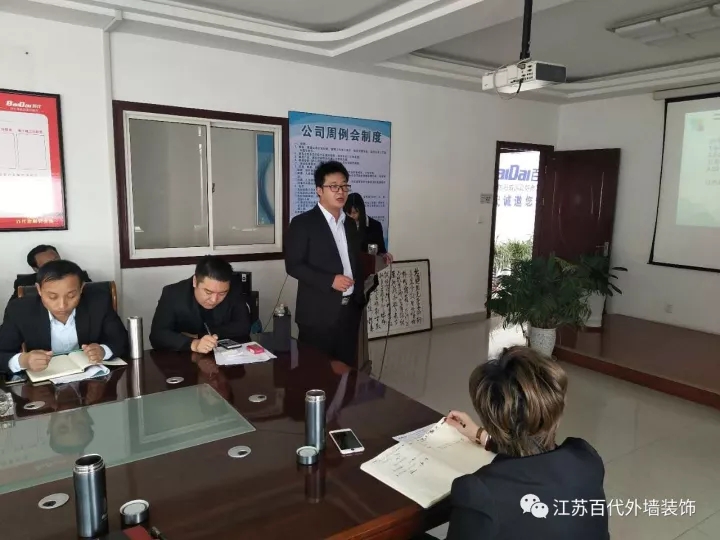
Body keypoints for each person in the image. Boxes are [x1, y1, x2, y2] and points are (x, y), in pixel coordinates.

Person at [441, 346, 609, 540]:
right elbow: (531, 456)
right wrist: (481, 435)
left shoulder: (480, 493)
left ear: (489, 416)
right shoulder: (587, 459)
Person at [285, 161, 364, 367]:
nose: (341, 191)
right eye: (334, 186)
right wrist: (330, 280)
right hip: (317, 314)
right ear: (319, 190)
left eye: (344, 185)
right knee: (315, 372)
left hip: (349, 311)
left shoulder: (350, 224)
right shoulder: (303, 223)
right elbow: (294, 265)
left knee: (345, 369)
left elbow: (354, 261)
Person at [0, 260, 128, 375]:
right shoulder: (19, 310)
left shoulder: (99, 303)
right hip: (44, 384)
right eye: (52, 297)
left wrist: (103, 351)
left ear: (81, 288)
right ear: (39, 289)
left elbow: (121, 340)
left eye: (71, 296)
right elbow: (2, 352)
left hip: (91, 379)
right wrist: (23, 361)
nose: (62, 305)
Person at [149, 255, 251, 353]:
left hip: (224, 356)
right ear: (195, 281)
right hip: (183, 357)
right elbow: (157, 335)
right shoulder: (173, 294)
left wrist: (199, 336)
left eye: (222, 293)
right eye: (208, 292)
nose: (214, 300)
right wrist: (194, 343)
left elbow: (243, 327)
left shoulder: (234, 289)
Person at [9, 245, 92, 301]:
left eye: (57, 260)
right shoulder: (24, 283)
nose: (55, 266)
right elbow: (13, 311)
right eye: (48, 264)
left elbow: (93, 300)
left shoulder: (78, 276)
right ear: (36, 269)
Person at [344, 193, 393, 263]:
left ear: (361, 210)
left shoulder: (375, 226)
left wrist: (385, 255)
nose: (351, 216)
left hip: (369, 266)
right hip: (348, 266)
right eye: (348, 213)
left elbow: (381, 251)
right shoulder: (343, 224)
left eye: (354, 213)